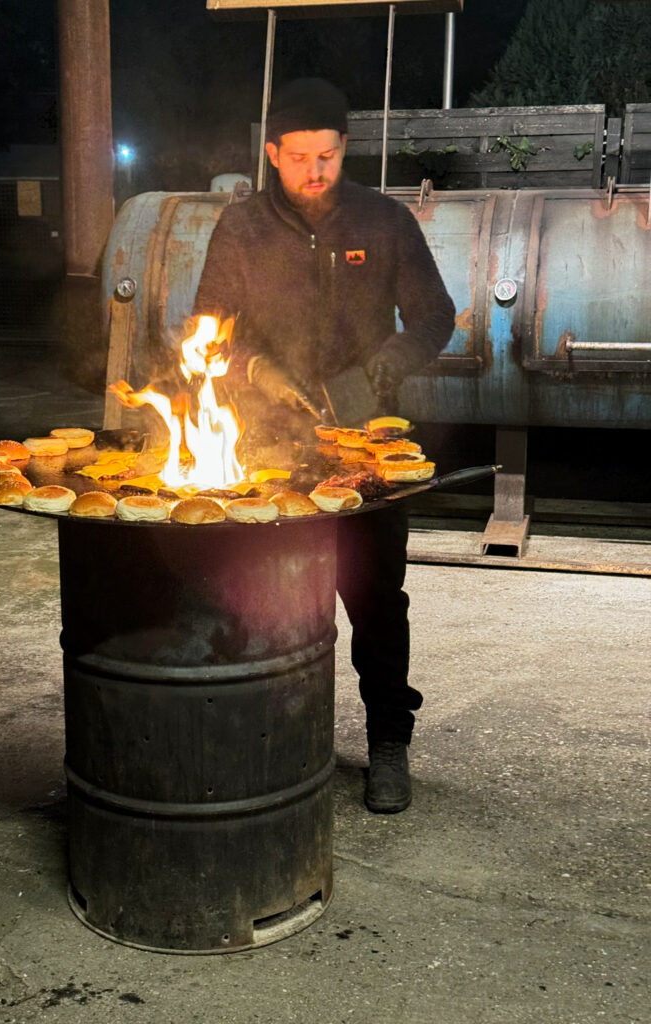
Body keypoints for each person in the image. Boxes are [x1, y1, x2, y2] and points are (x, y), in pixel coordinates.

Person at [193, 78, 455, 813]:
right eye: (300, 156)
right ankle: (264, 739)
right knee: (262, 600)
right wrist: (255, 369)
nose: (315, 172)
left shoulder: (386, 222)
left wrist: (382, 369)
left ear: (347, 149)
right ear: (271, 153)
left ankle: (388, 742)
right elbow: (207, 327)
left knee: (375, 599)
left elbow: (435, 319)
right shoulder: (240, 229)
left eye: (330, 156)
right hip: (266, 449)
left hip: (365, 449)